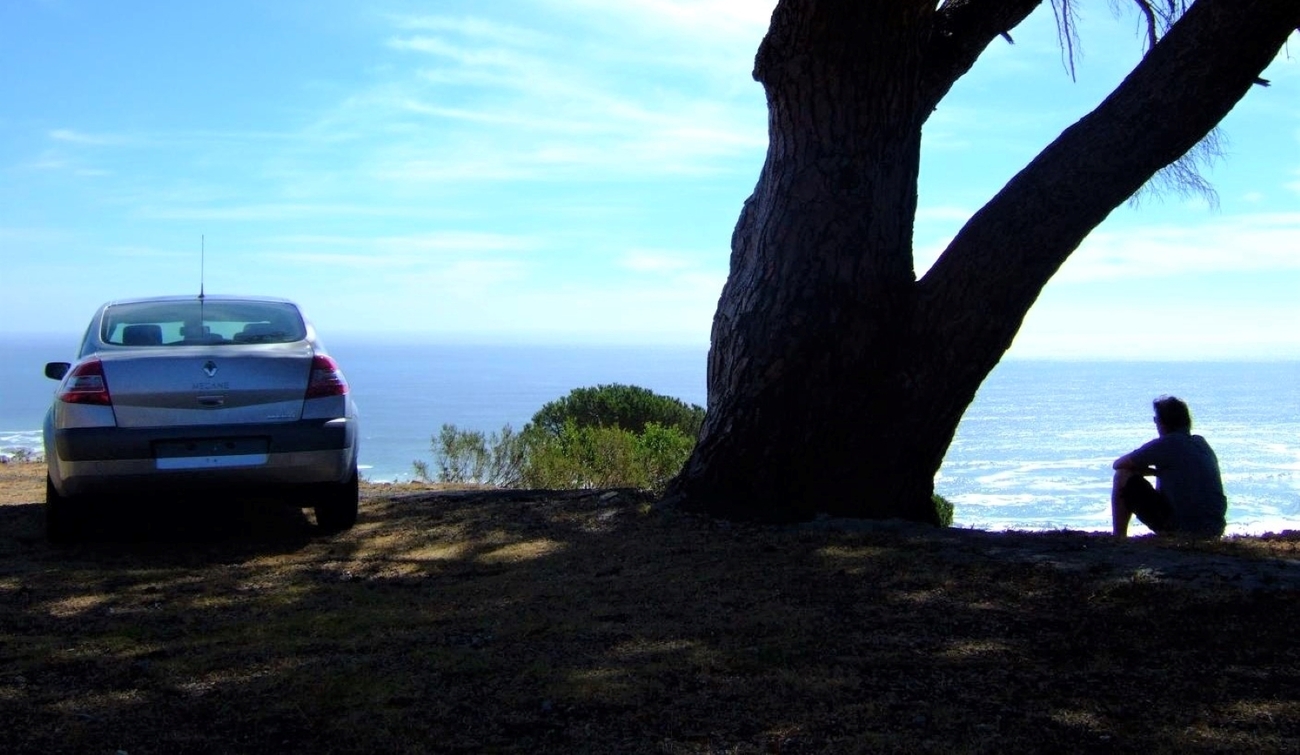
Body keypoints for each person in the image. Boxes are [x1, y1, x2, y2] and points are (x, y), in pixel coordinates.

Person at [1111, 395, 1227, 538]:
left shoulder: (1166, 444)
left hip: (1183, 529)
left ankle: (1118, 536)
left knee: (1123, 475)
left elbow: (1118, 464)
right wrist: (1159, 472)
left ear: (1163, 422)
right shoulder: (1201, 443)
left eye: (1156, 420)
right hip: (1214, 529)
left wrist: (1152, 472)